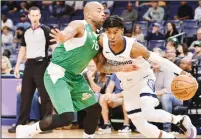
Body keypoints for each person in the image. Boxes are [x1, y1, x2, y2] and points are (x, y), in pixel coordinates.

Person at [16, 2, 138, 138]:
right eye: (99, 11)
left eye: (104, 11)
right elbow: (67, 32)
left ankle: (88, 136)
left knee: (94, 109)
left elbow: (101, 66)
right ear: (88, 14)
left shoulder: (98, 38)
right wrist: (62, 37)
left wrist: (123, 67)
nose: (103, 13)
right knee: (67, 117)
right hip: (58, 73)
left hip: (76, 77)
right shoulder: (80, 24)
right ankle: (27, 130)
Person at [98, 15, 197, 138]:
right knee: (141, 126)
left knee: (148, 112)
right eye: (109, 32)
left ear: (122, 30)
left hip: (143, 79)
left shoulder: (134, 47)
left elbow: (160, 60)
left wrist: (182, 72)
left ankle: (180, 120)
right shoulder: (102, 42)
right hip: (127, 86)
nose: (112, 36)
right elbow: (101, 65)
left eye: (115, 32)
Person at [8, 6, 54, 133]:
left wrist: (55, 64)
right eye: (32, 15)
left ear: (39, 16)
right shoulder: (26, 31)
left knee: (45, 96)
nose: (34, 18)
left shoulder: (45, 30)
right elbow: (23, 49)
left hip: (42, 64)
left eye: (36, 15)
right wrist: (17, 65)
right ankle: (20, 124)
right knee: (25, 96)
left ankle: (47, 125)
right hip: (29, 65)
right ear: (29, 16)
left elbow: (55, 47)